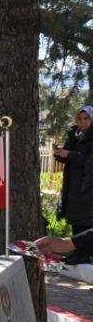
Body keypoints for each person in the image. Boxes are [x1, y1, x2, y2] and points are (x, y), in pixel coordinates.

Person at [53, 106, 93, 263]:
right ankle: (77, 252)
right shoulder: (75, 135)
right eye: (80, 119)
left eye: (86, 119)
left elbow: (88, 160)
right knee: (76, 219)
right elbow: (69, 156)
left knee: (85, 220)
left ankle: (84, 255)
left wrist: (69, 154)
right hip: (74, 184)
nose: (82, 122)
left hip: (87, 185)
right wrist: (59, 153)